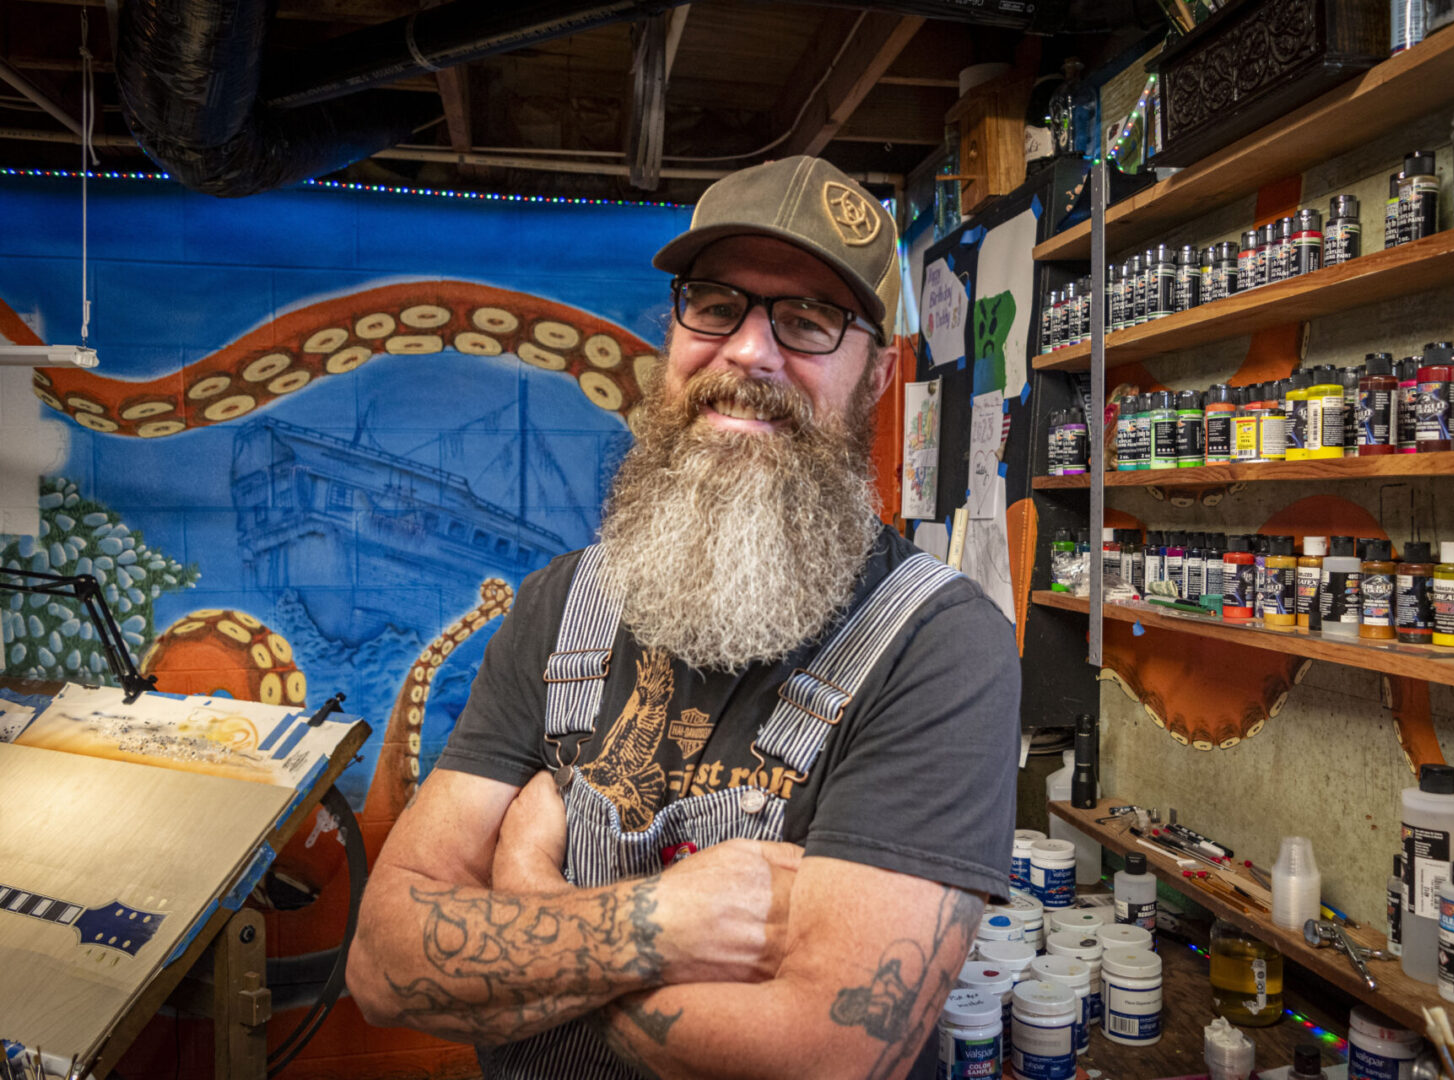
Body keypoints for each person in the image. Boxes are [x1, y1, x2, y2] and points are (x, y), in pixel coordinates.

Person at [346, 155, 1020, 1080]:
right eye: (715, 303)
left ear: (877, 375)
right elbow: (383, 965)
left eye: (810, 319)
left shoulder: (941, 647)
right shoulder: (556, 606)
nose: (748, 351)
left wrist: (528, 888)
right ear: (676, 329)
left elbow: (823, 1059)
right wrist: (667, 923)